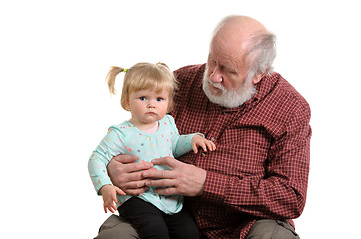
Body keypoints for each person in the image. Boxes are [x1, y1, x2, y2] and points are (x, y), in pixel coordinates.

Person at [95, 15, 311, 239]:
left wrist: (206, 184)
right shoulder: (180, 82)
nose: (214, 75)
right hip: (162, 214)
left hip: (244, 227)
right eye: (212, 60)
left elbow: (290, 197)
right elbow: (133, 135)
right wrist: (112, 169)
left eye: (228, 70)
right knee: (116, 235)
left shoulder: (291, 108)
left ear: (258, 74)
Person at [88, 62, 216, 239]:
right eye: (143, 98)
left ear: (168, 103)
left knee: (189, 232)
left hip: (169, 199)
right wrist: (105, 185)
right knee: (155, 232)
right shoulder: (121, 133)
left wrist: (192, 139)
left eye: (159, 99)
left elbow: (174, 145)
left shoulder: (167, 123)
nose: (151, 105)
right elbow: (96, 158)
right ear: (127, 101)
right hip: (138, 199)